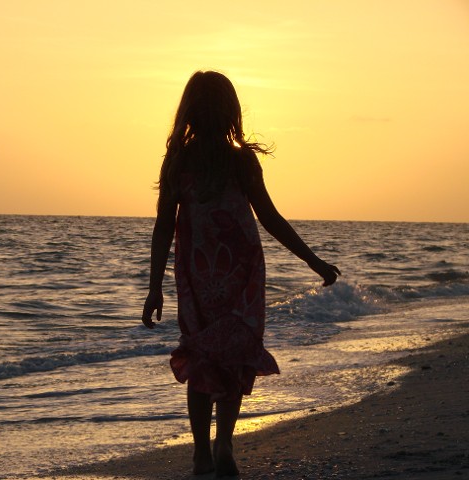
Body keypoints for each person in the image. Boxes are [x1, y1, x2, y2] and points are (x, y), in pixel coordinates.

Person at [141, 71, 340, 478]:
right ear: (231, 111)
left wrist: (155, 287)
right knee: (233, 355)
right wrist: (312, 260)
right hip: (241, 272)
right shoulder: (237, 160)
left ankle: (203, 453)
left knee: (201, 356)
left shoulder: (182, 161)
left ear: (189, 112)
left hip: (199, 275)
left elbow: (164, 226)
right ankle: (224, 445)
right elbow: (270, 218)